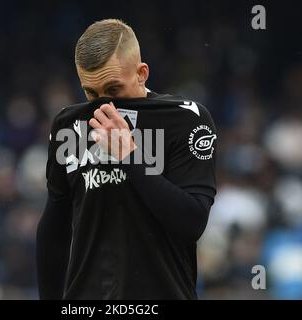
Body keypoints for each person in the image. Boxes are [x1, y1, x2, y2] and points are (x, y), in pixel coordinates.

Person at [36, 19, 217, 299]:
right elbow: (55, 226)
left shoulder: (185, 119)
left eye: (113, 89)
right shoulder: (68, 125)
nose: (104, 105)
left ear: (142, 73)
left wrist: (129, 155)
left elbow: (191, 222)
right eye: (90, 93)